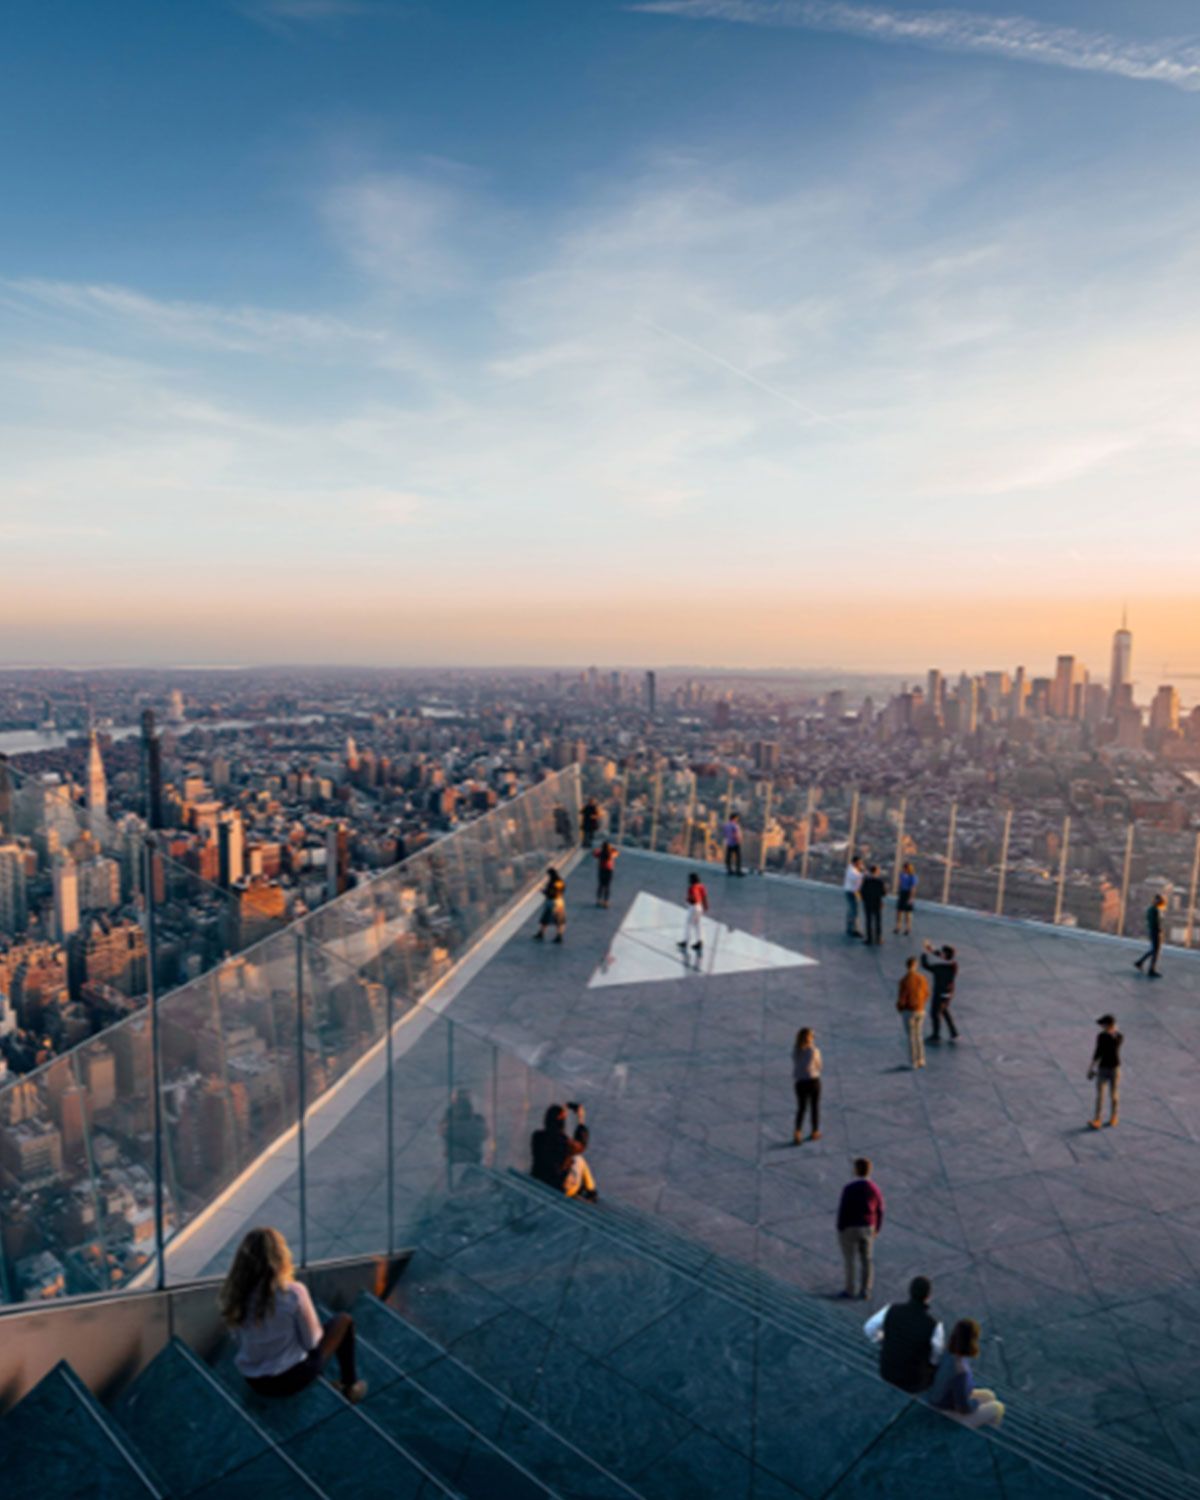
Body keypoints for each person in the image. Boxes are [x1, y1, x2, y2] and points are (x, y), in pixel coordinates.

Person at [220, 1227, 367, 1402]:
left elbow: (238, 1338)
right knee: (344, 1321)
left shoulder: (236, 1294)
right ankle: (350, 1385)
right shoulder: (292, 1293)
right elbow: (311, 1342)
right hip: (291, 1380)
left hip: (254, 1380)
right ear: (280, 1256)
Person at [864, 1276, 945, 1393]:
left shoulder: (891, 1309)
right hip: (914, 1381)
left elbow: (869, 1328)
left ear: (910, 1292)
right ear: (928, 1296)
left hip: (887, 1372)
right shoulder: (934, 1326)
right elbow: (936, 1355)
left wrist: (882, 1339)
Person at [929, 1318, 1005, 1429]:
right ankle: (987, 1432)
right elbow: (963, 1408)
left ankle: (983, 1422)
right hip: (949, 1413)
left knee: (989, 1395)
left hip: (939, 1400)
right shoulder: (960, 1369)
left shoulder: (947, 1353)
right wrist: (976, 1403)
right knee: (998, 1407)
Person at [836, 1157, 884, 1301]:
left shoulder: (849, 1188)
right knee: (867, 1260)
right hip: (868, 1226)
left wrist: (840, 1227)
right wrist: (877, 1228)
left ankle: (850, 1289)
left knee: (850, 1260)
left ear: (856, 1170)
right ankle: (865, 1290)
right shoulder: (874, 1189)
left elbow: (843, 1209)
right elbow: (880, 1210)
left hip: (850, 1226)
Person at [530, 1102, 597, 1200]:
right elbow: (581, 1145)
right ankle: (591, 1191)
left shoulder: (537, 1137)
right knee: (579, 1159)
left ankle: (585, 1188)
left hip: (539, 1179)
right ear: (562, 1122)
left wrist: (560, 1112)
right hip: (559, 1188)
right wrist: (581, 1120)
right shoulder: (565, 1143)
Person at [441, 1088, 489, 1178]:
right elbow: (485, 1134)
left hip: (455, 1160)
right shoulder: (477, 1124)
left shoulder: (450, 1125)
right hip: (473, 1158)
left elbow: (442, 1132)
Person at [1087, 1014, 1123, 1130]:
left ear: (1109, 1025)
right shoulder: (1101, 1036)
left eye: (1103, 1024)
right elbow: (1097, 1052)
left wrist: (1112, 1033)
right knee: (1100, 1095)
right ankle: (1097, 1119)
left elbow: (1114, 1047)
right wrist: (1091, 1067)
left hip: (1114, 1068)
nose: (1101, 1027)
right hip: (1102, 1068)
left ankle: (1114, 1116)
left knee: (1113, 1095)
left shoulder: (1118, 1036)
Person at [896, 956, 929, 1069]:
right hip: (920, 1009)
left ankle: (913, 1062)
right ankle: (922, 1059)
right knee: (919, 1035)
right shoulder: (922, 978)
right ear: (916, 965)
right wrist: (921, 1004)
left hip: (908, 1011)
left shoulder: (904, 981)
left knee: (911, 1037)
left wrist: (900, 1008)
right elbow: (926, 993)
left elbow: (902, 998)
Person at [921, 942, 960, 1042]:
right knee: (944, 1010)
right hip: (948, 993)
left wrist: (924, 953)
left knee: (934, 1013)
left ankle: (936, 1035)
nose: (940, 954)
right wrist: (932, 950)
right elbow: (942, 956)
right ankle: (953, 1032)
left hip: (939, 993)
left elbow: (925, 965)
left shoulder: (940, 968)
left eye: (942, 953)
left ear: (945, 955)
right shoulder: (953, 966)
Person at [792, 1027, 822, 1144]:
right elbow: (819, 1066)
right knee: (814, 1107)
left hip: (799, 1082)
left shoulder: (796, 1050)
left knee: (801, 1108)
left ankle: (797, 1131)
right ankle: (814, 1131)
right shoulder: (814, 1051)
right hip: (813, 1081)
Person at [677, 870, 709, 958]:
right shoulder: (701, 886)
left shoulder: (691, 888)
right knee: (698, 925)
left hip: (693, 907)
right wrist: (706, 906)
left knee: (688, 924)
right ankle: (700, 941)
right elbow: (704, 896)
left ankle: (686, 941)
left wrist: (688, 899)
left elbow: (693, 898)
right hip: (700, 907)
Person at [1134, 893, 1166, 979]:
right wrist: (1159, 930)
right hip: (1155, 932)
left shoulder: (1151, 909)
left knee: (1153, 950)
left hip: (1152, 931)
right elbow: (1156, 922)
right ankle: (1151, 970)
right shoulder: (1155, 910)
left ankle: (1140, 962)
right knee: (1155, 951)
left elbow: (1150, 920)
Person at [533, 866, 566, 943]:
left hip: (552, 901)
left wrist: (542, 891)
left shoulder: (552, 882)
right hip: (559, 901)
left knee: (548, 918)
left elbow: (550, 893)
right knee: (559, 920)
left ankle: (543, 933)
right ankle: (558, 935)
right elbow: (561, 890)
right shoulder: (560, 881)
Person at [860, 864, 887, 945]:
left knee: (868, 920)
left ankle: (869, 939)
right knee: (877, 921)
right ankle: (878, 939)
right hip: (877, 902)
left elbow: (862, 891)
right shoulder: (880, 881)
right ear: (876, 871)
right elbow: (884, 893)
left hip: (868, 902)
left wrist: (865, 899)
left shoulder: (866, 880)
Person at [843, 856, 864, 939]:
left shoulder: (852, 869)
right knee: (855, 911)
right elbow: (857, 878)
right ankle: (854, 930)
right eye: (859, 863)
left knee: (850, 910)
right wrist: (862, 873)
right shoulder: (852, 871)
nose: (860, 864)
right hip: (852, 892)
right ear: (855, 863)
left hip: (850, 891)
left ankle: (849, 928)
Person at [593, 840, 618, 908]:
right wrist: (612, 848)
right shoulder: (611, 853)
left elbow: (595, 853)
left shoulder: (601, 853)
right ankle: (606, 902)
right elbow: (617, 853)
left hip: (601, 870)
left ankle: (598, 900)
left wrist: (599, 848)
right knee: (607, 886)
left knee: (601, 885)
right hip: (609, 871)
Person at [894, 862, 917, 936]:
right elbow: (900, 884)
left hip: (908, 893)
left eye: (905, 868)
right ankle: (898, 927)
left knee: (908, 913)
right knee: (899, 911)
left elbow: (913, 888)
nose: (904, 869)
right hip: (902, 893)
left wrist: (911, 898)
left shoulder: (913, 876)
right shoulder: (901, 875)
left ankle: (908, 928)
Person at [723, 812, 744, 876]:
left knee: (728, 856)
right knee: (738, 857)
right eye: (737, 818)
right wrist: (738, 840)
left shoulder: (726, 825)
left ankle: (729, 870)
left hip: (729, 842)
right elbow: (736, 833)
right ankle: (738, 870)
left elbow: (725, 834)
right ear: (734, 818)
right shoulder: (735, 825)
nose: (737, 819)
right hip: (735, 842)